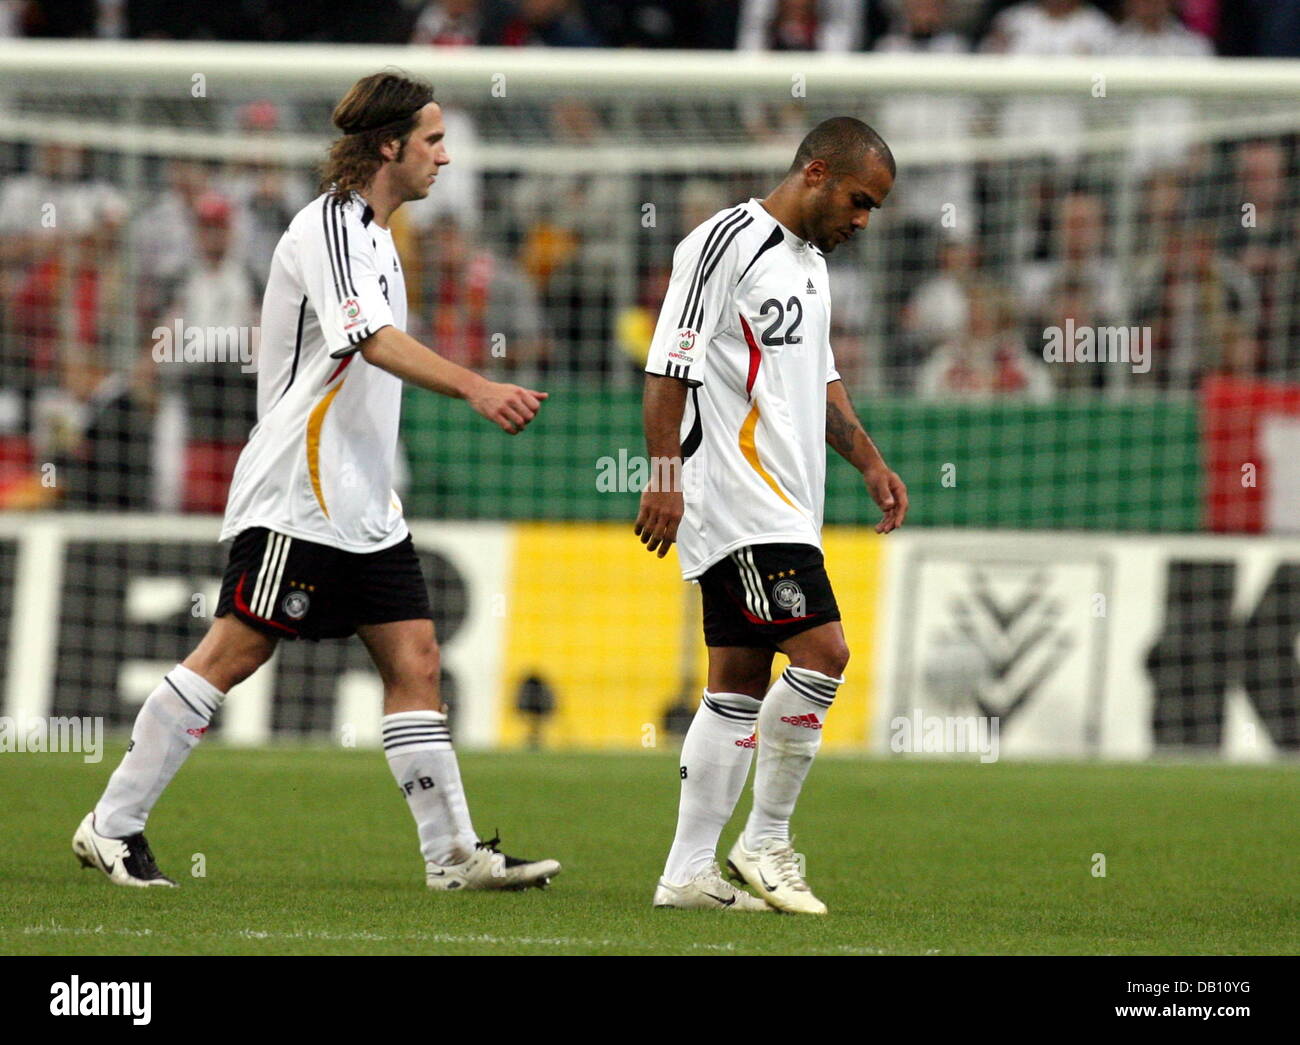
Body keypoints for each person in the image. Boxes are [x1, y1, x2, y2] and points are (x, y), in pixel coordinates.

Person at [72, 71, 560, 893]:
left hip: (365, 501)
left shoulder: (377, 236)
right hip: (301, 491)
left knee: (417, 659)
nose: (446, 156)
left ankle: (451, 855)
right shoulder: (331, 225)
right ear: (388, 147)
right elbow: (369, 339)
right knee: (234, 650)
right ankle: (111, 825)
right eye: (433, 141)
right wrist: (477, 386)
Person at [635, 118, 908, 914]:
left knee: (738, 684)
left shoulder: (811, 266)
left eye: (875, 210)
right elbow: (667, 367)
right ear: (816, 172)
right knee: (825, 653)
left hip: (791, 501)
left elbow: (817, 380)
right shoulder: (722, 242)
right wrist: (663, 476)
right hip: (739, 499)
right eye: (860, 201)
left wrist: (868, 460)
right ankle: (765, 840)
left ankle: (687, 870)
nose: (863, 220)